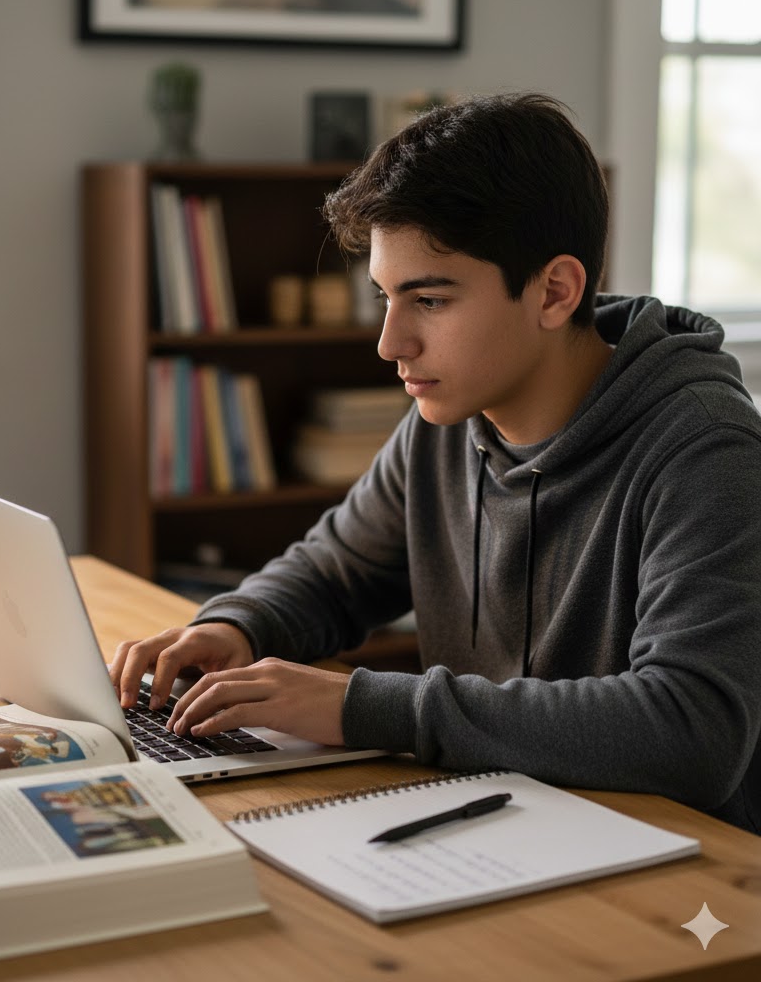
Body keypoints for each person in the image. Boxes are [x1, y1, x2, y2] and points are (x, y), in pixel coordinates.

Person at [109, 92, 761, 833]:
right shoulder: (450, 415)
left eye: (429, 300)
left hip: (683, 871)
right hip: (511, 820)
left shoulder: (706, 449)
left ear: (555, 291)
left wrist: (362, 707)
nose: (391, 344)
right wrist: (238, 627)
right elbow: (335, 572)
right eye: (386, 298)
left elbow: (692, 729)